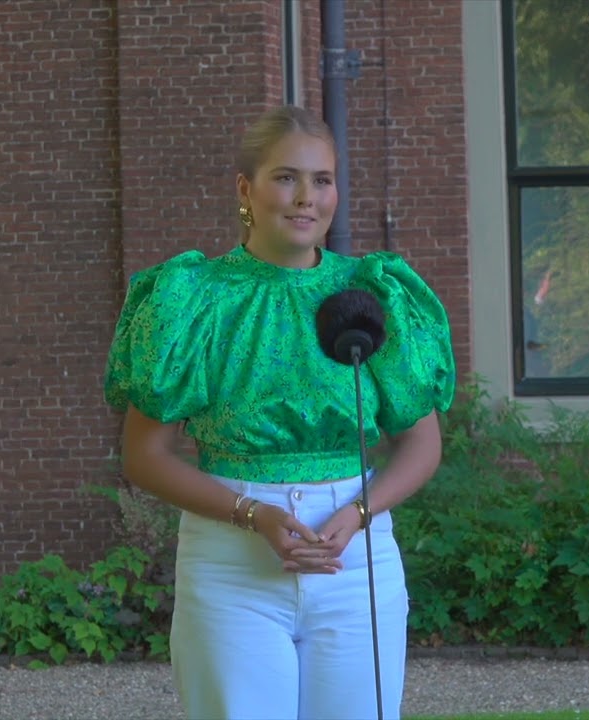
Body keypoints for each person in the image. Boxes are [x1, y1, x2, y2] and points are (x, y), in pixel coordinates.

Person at [104, 105, 455, 720]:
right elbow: (145, 455)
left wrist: (360, 512)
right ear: (246, 188)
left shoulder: (372, 294)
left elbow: (422, 443)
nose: (306, 198)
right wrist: (254, 514)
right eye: (286, 177)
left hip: (355, 563)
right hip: (231, 566)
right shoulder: (196, 300)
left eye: (322, 180)